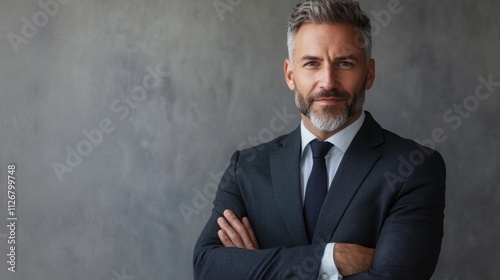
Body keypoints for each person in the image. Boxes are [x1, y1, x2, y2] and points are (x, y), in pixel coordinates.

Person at [193, 0, 446, 279]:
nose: (328, 81)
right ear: (291, 75)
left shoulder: (415, 167)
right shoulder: (248, 169)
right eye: (312, 63)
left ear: (369, 74)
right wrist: (330, 258)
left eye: (345, 63)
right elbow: (208, 267)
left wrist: (256, 269)